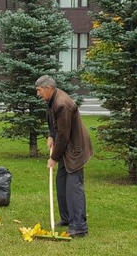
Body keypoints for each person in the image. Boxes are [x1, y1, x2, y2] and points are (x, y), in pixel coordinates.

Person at [34, 75, 93, 237]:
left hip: (75, 149)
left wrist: (54, 158)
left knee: (74, 187)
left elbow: (64, 135)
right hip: (66, 147)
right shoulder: (51, 100)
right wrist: (50, 135)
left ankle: (79, 227)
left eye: (39, 90)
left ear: (48, 88)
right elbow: (54, 123)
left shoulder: (62, 104)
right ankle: (67, 218)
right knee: (61, 183)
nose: (37, 94)